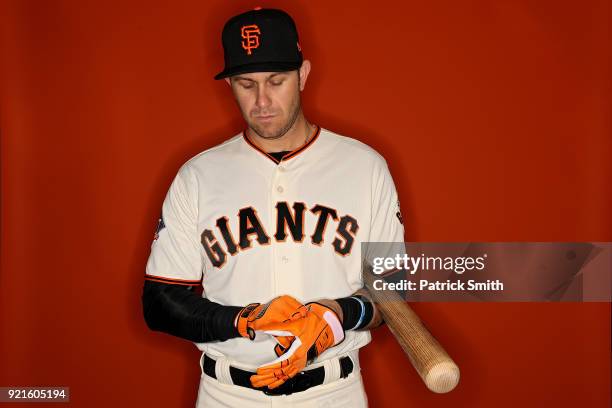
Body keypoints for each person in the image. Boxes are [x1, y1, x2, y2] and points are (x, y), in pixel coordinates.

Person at [142, 7, 404, 407]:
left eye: (276, 81)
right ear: (230, 83)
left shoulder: (365, 167)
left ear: (303, 74)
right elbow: (161, 302)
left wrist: (336, 315)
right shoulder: (198, 175)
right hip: (226, 395)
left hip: (333, 394)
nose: (262, 100)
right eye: (246, 84)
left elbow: (394, 293)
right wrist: (243, 319)